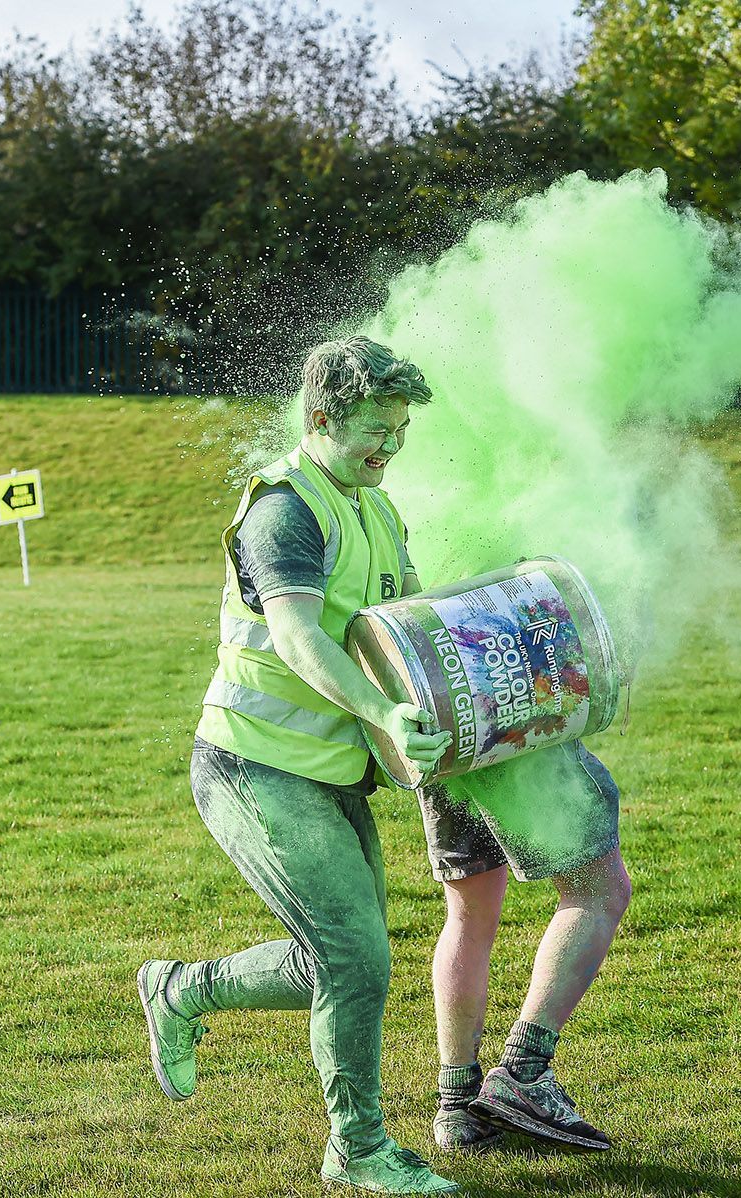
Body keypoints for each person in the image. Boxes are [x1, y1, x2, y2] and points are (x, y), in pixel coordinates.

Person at [137, 336, 460, 1195]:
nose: (391, 449)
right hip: (253, 766)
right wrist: (383, 712)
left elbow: (398, 627)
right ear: (321, 416)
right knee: (357, 959)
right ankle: (358, 1151)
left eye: (400, 432)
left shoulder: (377, 506)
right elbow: (297, 634)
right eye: (376, 432)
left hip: (330, 772)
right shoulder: (284, 507)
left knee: (341, 960)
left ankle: (182, 991)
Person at [418, 741, 632, 1154]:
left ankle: (458, 1102)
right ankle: (524, 1071)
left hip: (445, 736)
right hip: (516, 727)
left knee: (468, 916)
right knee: (600, 891)